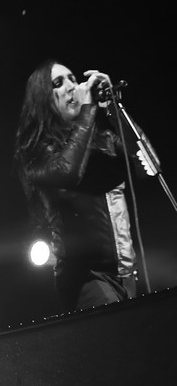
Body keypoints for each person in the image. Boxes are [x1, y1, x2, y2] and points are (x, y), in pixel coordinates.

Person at [14, 60, 137, 311]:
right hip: (86, 278)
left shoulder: (103, 139)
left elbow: (148, 164)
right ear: (43, 100)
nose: (72, 86)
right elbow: (67, 172)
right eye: (58, 83)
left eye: (72, 78)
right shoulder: (37, 150)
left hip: (126, 274)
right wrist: (88, 109)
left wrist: (113, 108)